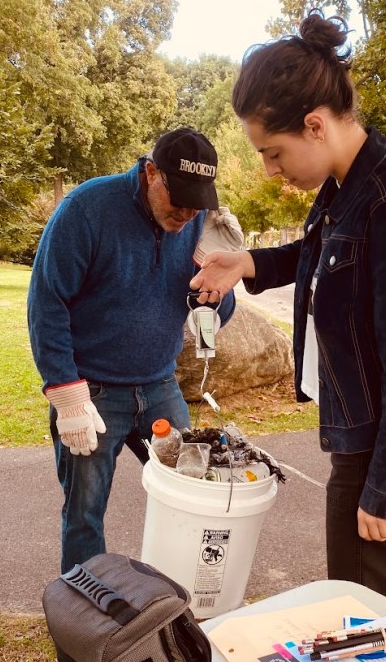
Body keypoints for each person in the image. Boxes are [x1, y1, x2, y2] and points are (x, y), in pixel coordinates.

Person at [190, 13, 386, 608]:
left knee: (380, 609)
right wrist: (247, 263)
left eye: (272, 151)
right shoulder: (345, 191)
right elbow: (314, 255)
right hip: (359, 431)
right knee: (350, 596)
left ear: (314, 125)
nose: (269, 169)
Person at [27, 127, 240, 573]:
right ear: (150, 173)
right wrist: (67, 395)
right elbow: (47, 303)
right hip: (93, 392)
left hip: (159, 385)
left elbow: (211, 306)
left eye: (196, 202)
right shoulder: (86, 210)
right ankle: (85, 624)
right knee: (84, 514)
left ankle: (177, 603)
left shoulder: (196, 220)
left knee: (191, 493)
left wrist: (218, 293)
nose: (185, 213)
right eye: (178, 199)